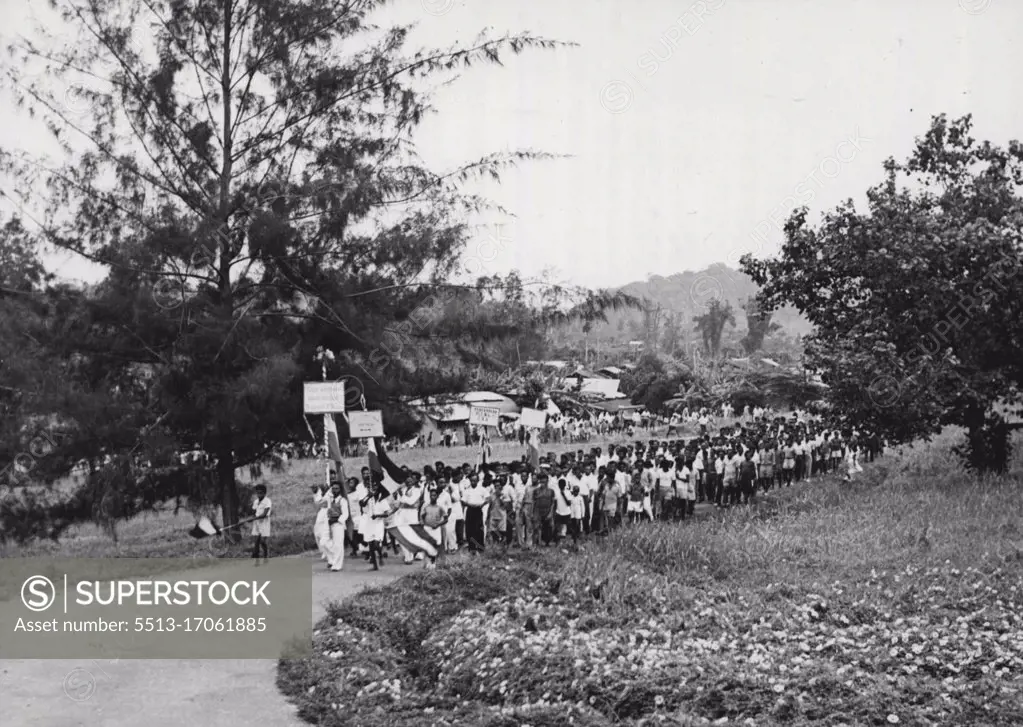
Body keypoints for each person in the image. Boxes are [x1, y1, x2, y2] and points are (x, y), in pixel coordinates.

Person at [325, 481, 349, 572]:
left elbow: (345, 514)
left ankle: (337, 565)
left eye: (337, 488)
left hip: (338, 524)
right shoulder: (330, 500)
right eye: (333, 488)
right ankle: (332, 559)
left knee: (338, 545)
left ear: (340, 490)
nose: (335, 490)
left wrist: (337, 520)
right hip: (330, 523)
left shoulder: (342, 500)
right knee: (324, 542)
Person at [251, 484, 272, 563]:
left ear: (264, 493)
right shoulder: (256, 502)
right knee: (256, 541)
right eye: (257, 493)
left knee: (262, 541)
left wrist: (254, 518)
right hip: (256, 523)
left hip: (264, 523)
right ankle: (256, 558)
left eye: (260, 493)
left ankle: (266, 555)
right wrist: (251, 518)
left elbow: (264, 514)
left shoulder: (268, 501)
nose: (259, 495)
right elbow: (253, 512)